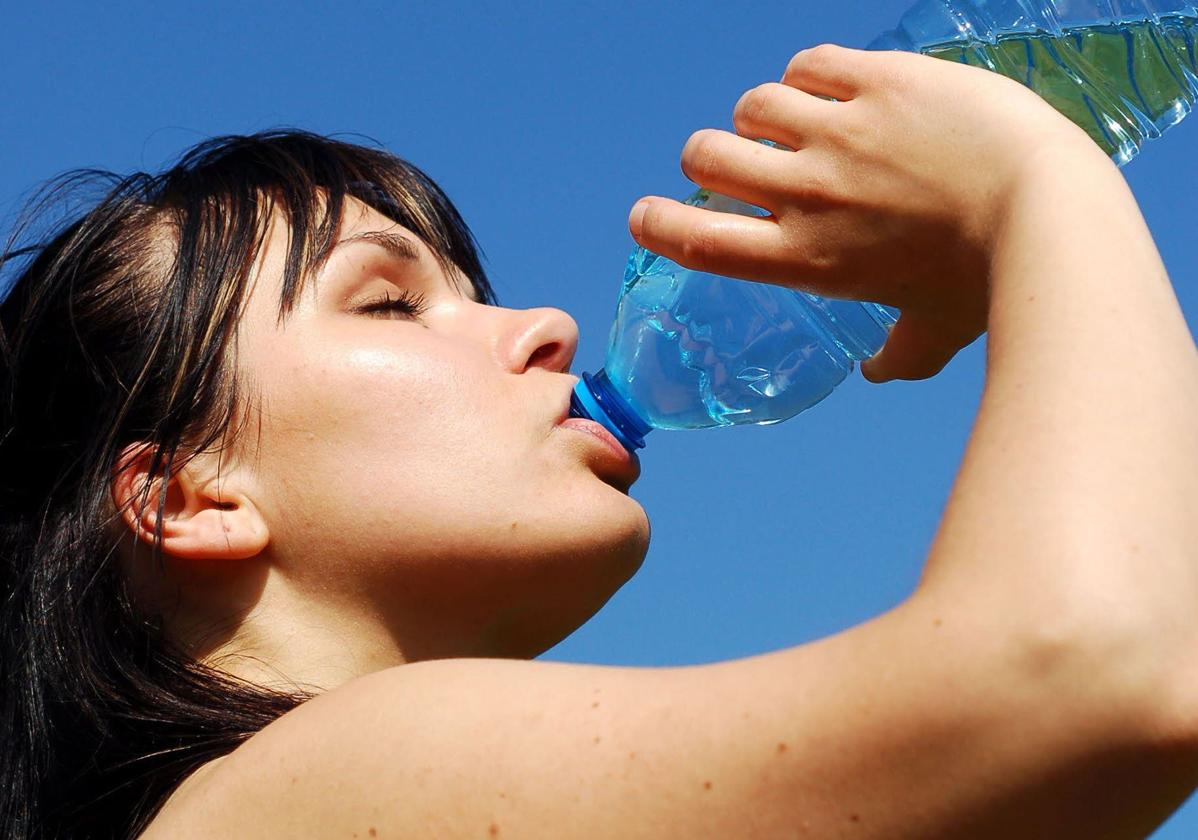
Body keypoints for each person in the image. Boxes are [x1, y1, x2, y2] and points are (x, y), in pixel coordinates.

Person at [1, 43, 1195, 840]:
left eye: (478, 289)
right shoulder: (305, 787)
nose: (550, 325)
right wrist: (1034, 175)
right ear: (189, 496)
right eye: (388, 302)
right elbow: (1096, 670)